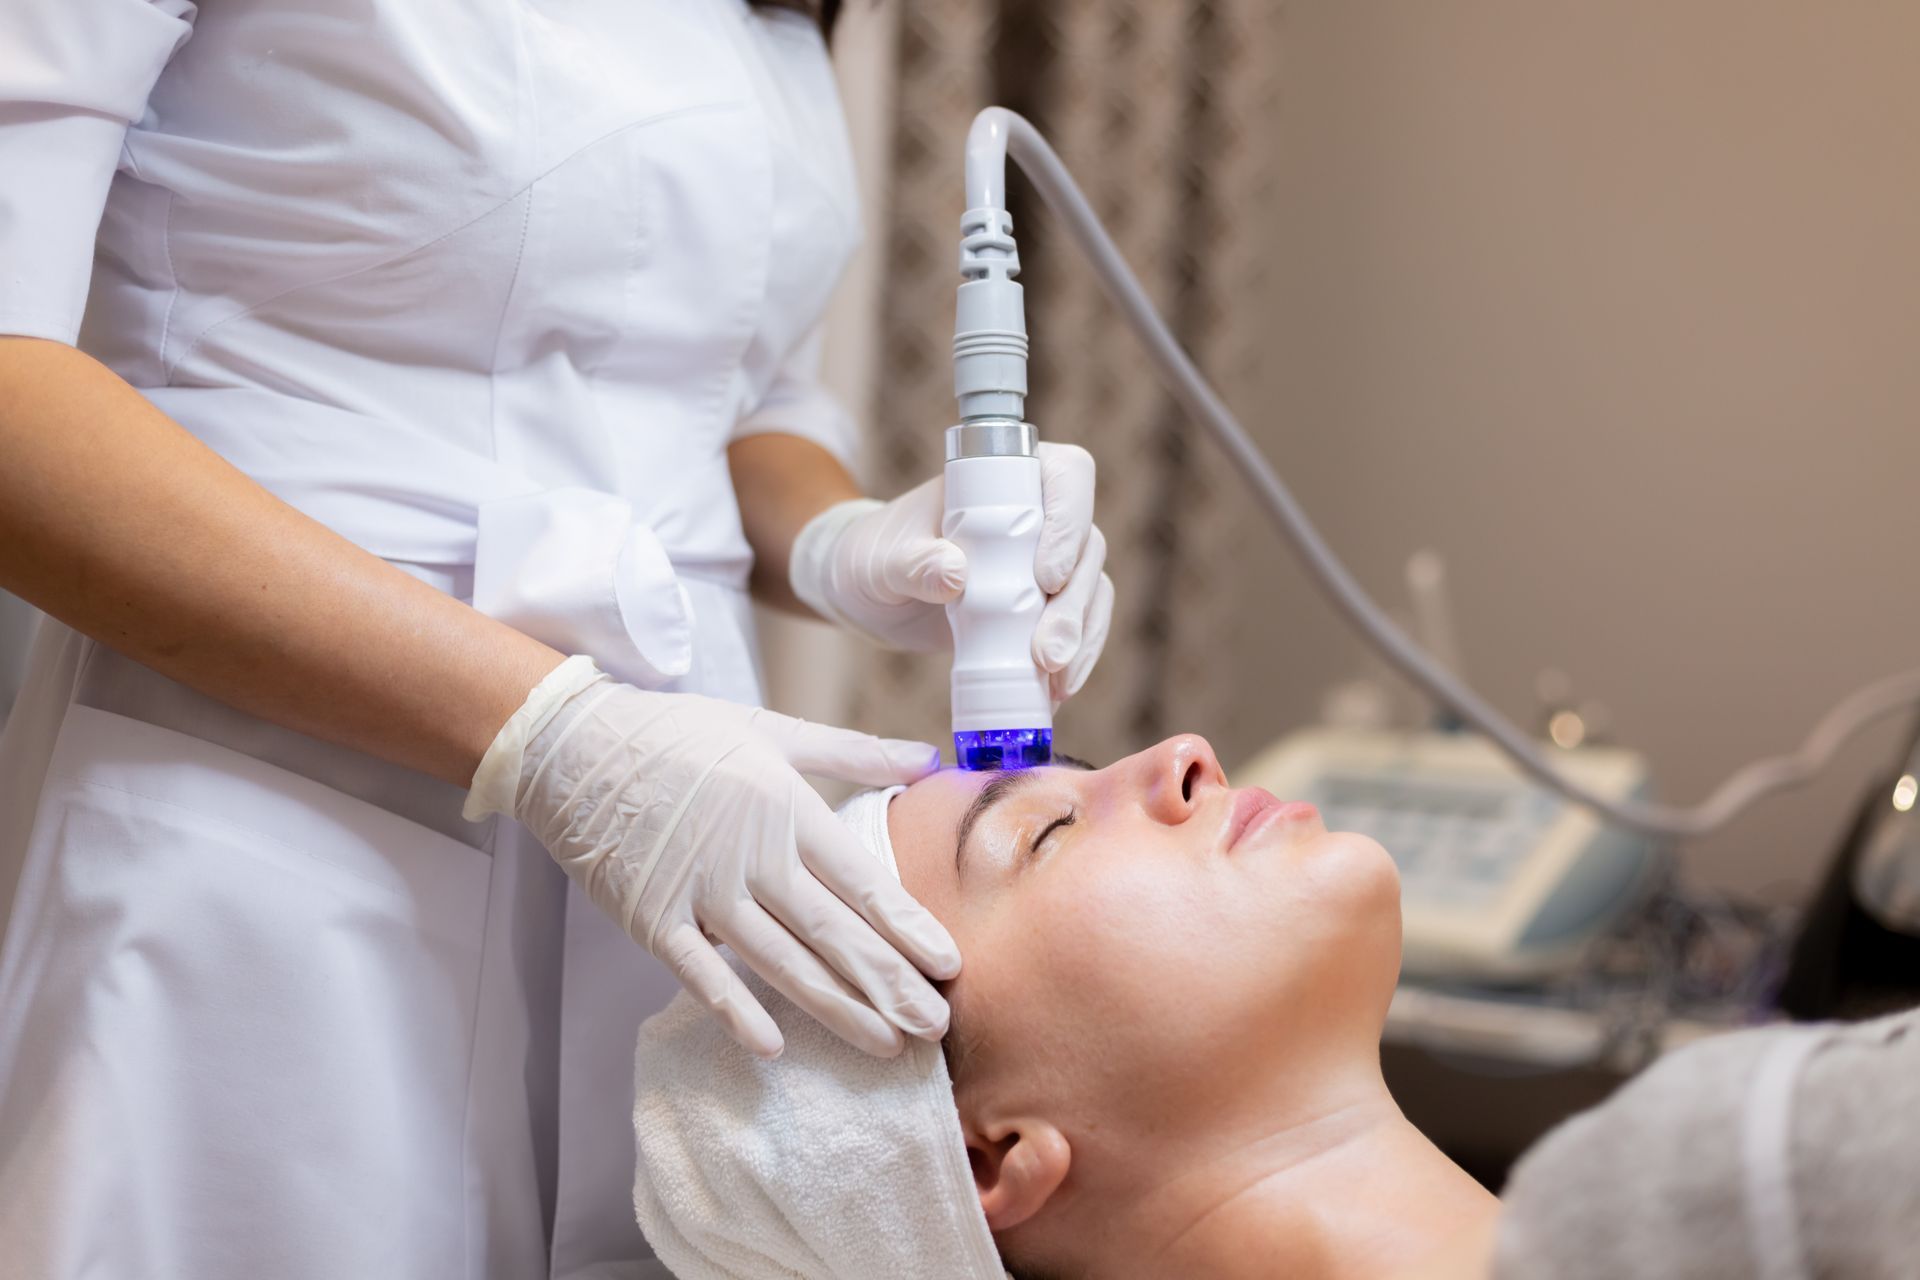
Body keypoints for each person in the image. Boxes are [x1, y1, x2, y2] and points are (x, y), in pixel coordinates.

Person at [0, 1, 1113, 1276]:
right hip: (287, 787)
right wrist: (556, 734)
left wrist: (844, 541)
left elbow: (731, 398)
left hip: (693, 825)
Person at [634, 739, 1920, 1279]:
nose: (1185, 752)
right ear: (988, 1153)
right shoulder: (1744, 1185)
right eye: (1045, 832)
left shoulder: (1736, 1172)